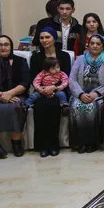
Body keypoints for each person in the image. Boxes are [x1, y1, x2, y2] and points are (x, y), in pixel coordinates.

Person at [29, 27, 71, 157]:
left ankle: (54, 144)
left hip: (59, 90)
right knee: (40, 107)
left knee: (53, 106)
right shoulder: (36, 57)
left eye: (47, 37)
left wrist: (53, 87)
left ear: (54, 38)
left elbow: (66, 76)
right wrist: (42, 90)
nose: (44, 40)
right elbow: (34, 77)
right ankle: (42, 145)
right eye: (41, 38)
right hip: (41, 91)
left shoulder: (63, 55)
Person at [68, 34, 104, 153]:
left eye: (98, 44)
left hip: (99, 94)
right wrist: (80, 94)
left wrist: (97, 94)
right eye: (92, 43)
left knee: (91, 108)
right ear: (88, 45)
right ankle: (80, 143)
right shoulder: (80, 59)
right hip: (80, 93)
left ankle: (92, 143)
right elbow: (72, 79)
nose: (94, 46)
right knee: (76, 106)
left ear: (103, 46)